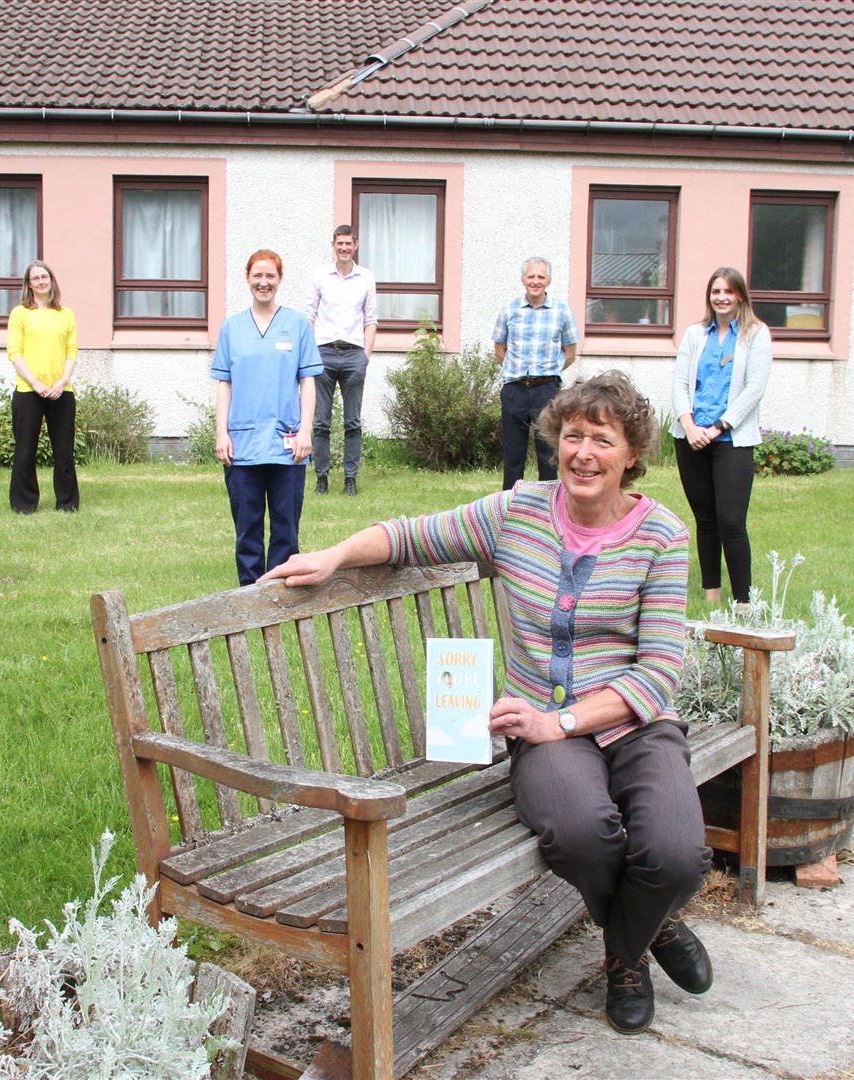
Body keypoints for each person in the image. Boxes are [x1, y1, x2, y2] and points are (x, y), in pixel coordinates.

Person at [263, 372, 713, 1036]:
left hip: (633, 726)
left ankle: (626, 940)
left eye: (603, 440)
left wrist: (557, 719)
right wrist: (333, 555)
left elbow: (656, 676)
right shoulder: (518, 512)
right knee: (580, 833)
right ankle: (642, 943)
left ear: (631, 454)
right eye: (573, 436)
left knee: (676, 855)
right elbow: (410, 536)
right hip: (542, 737)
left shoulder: (663, 538)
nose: (583, 453)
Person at [213, 249, 321, 587]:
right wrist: (221, 433)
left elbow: (308, 382)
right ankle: (250, 593)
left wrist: (306, 431)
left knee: (286, 525)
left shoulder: (298, 326)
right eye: (257, 276)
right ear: (248, 279)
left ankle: (281, 590)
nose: (264, 282)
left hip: (287, 445)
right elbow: (224, 385)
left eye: (270, 276)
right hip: (242, 444)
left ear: (279, 279)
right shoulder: (231, 328)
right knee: (247, 525)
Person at [670, 266, 773, 605]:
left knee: (731, 521)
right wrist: (688, 425)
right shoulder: (695, 335)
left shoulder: (756, 334)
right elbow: (680, 384)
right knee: (706, 519)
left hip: (731, 441)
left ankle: (744, 603)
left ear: (740, 295)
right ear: (709, 296)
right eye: (716, 291)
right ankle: (711, 595)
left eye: (728, 291)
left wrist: (718, 427)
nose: (721, 297)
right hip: (691, 439)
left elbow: (754, 388)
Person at [492, 257, 580, 490]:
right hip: (515, 389)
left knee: (548, 451)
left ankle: (548, 503)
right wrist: (518, 371)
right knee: (513, 452)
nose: (535, 281)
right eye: (531, 276)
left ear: (548, 281)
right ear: (523, 280)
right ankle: (510, 503)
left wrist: (548, 371)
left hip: (547, 390)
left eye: (541, 277)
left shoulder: (562, 312)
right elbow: (500, 351)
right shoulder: (508, 311)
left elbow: (570, 353)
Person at [304, 224, 377, 496]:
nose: (344, 248)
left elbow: (371, 319)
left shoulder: (366, 278)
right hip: (323, 353)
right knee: (321, 421)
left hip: (353, 355)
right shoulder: (320, 275)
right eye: (339, 243)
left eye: (348, 243)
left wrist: (365, 357)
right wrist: (311, 354)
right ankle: (321, 477)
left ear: (355, 245)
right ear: (333, 245)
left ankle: (350, 478)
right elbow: (309, 315)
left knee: (352, 422)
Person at [7, 260, 79, 513]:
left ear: (51, 280)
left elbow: (72, 352)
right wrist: (36, 383)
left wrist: (61, 382)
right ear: (29, 284)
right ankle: (24, 504)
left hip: (61, 392)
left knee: (64, 451)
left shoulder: (65, 314)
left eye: (44, 276)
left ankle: (67, 503)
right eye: (35, 277)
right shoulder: (20, 314)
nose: (41, 281)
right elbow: (14, 352)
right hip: (28, 392)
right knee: (25, 450)